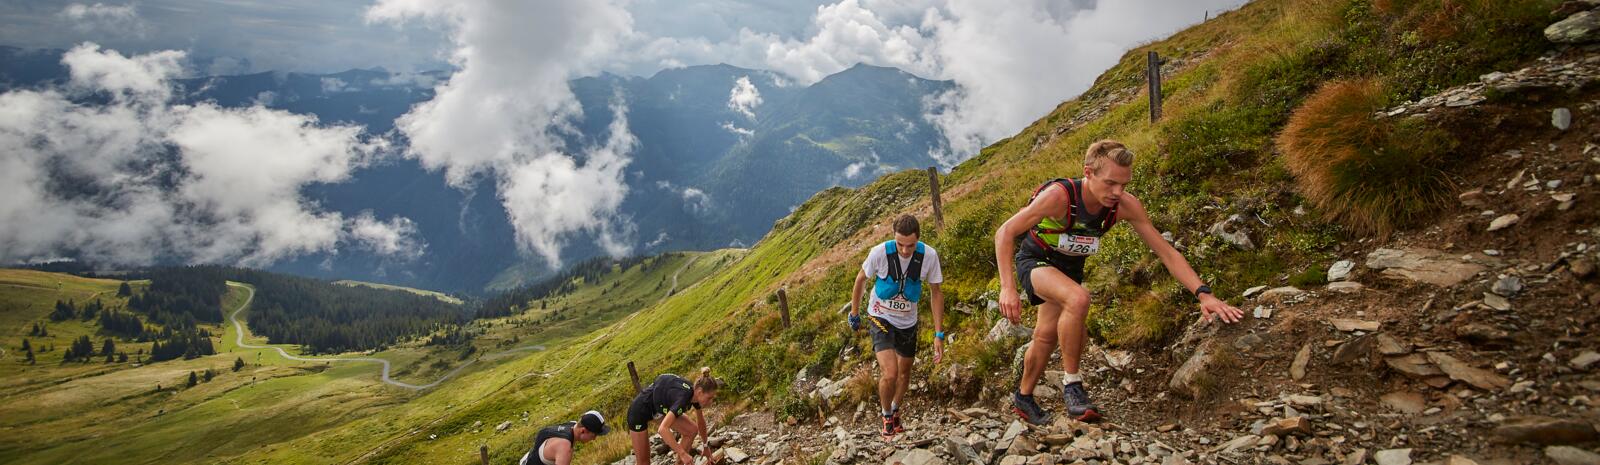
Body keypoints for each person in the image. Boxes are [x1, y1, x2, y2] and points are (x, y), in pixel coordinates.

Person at [994, 140, 1244, 424]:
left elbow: (1166, 252)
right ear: (1088, 173)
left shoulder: (1125, 205)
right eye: (1110, 183)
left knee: (1045, 336)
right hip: (1036, 259)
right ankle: (1073, 385)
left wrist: (1203, 294)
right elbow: (1005, 233)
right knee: (1078, 299)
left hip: (1070, 267)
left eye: (1124, 184)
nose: (1117, 192)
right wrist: (1007, 288)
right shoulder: (1059, 197)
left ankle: (1023, 399)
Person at [847, 214, 945, 439]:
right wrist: (854, 313)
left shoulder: (929, 256)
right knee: (890, 372)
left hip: (908, 322)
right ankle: (886, 415)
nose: (904, 250)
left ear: (918, 239)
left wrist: (938, 334)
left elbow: (936, 293)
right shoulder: (879, 252)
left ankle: (896, 409)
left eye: (910, 245)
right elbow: (861, 278)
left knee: (904, 371)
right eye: (900, 244)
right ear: (894, 238)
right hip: (880, 316)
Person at [627, 367, 722, 465]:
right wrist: (682, 453)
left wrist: (706, 446)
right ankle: (682, 458)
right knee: (644, 462)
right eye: (709, 398)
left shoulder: (695, 396)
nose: (711, 402)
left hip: (658, 409)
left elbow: (701, 422)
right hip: (639, 411)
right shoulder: (683, 398)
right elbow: (663, 429)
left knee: (692, 430)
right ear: (700, 392)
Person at [518, 410, 611, 465]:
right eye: (594, 435)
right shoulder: (565, 449)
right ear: (583, 430)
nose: (594, 439)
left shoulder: (572, 424)